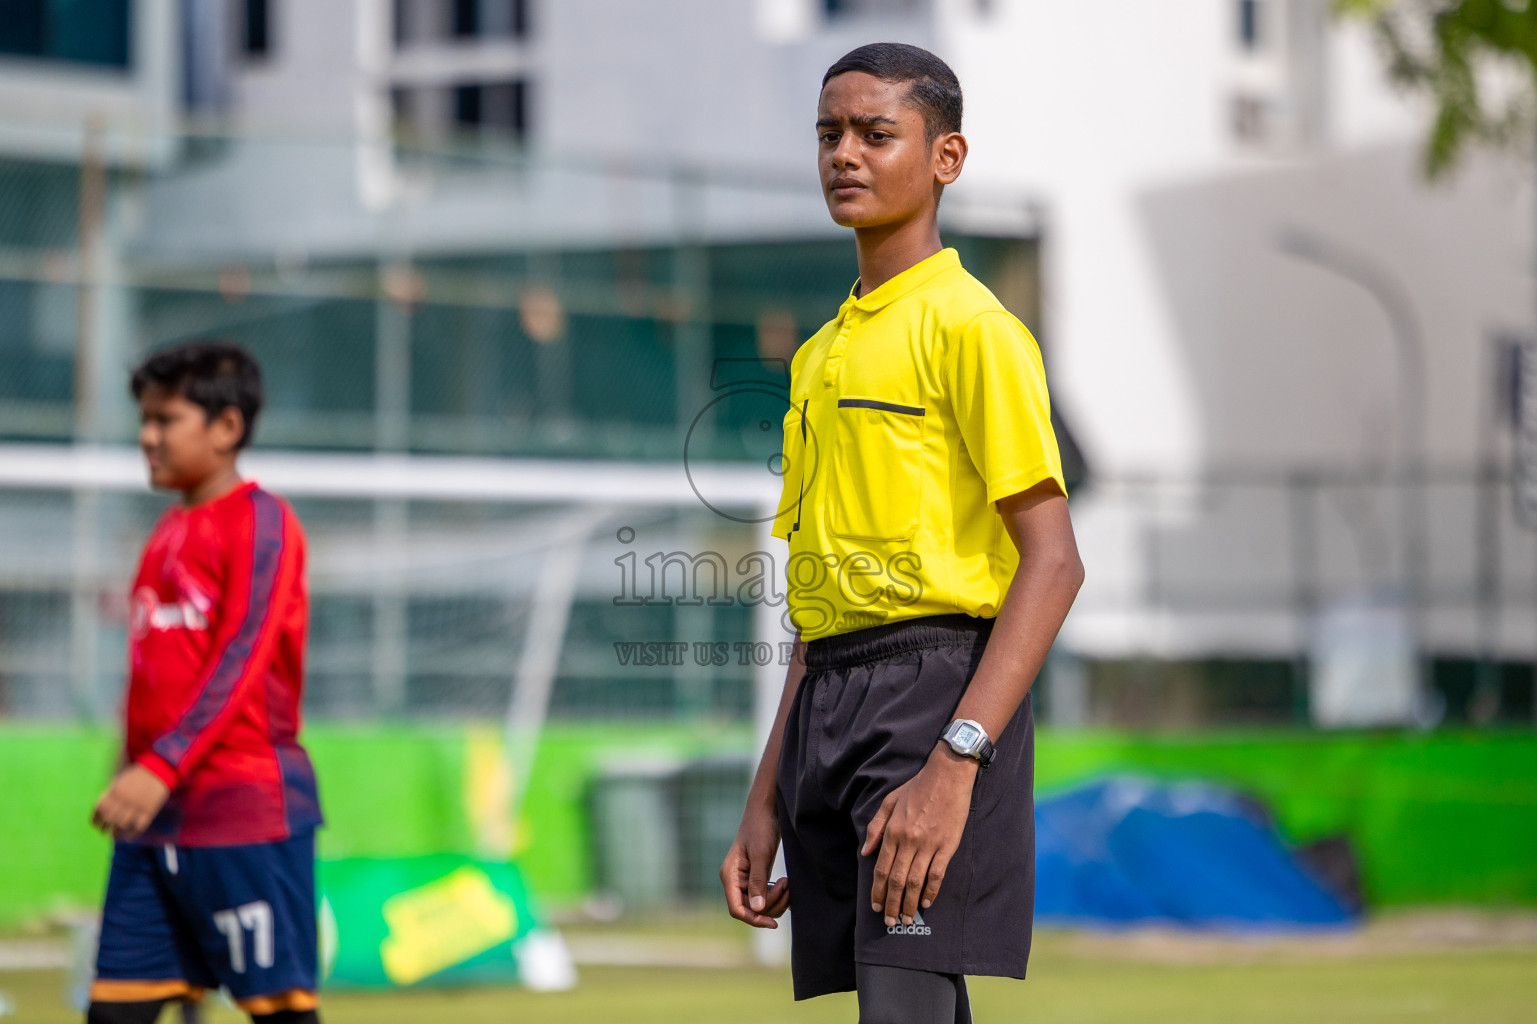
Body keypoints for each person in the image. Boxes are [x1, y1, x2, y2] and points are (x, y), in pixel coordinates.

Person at [719, 43, 1084, 1023]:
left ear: (945, 158)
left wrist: (956, 756)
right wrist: (768, 793)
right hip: (826, 702)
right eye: (829, 134)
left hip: (936, 699)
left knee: (904, 1006)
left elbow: (1053, 561)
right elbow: (818, 607)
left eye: (877, 134)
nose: (845, 153)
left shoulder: (974, 329)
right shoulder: (815, 356)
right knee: (906, 1009)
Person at [86, 340, 323, 1024]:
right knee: (113, 1012)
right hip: (154, 822)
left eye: (165, 420)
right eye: (145, 420)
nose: (146, 437)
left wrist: (159, 765)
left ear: (226, 428)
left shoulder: (262, 522)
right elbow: (152, 674)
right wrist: (130, 768)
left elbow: (240, 657)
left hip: (243, 812)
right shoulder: (166, 531)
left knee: (281, 1012)